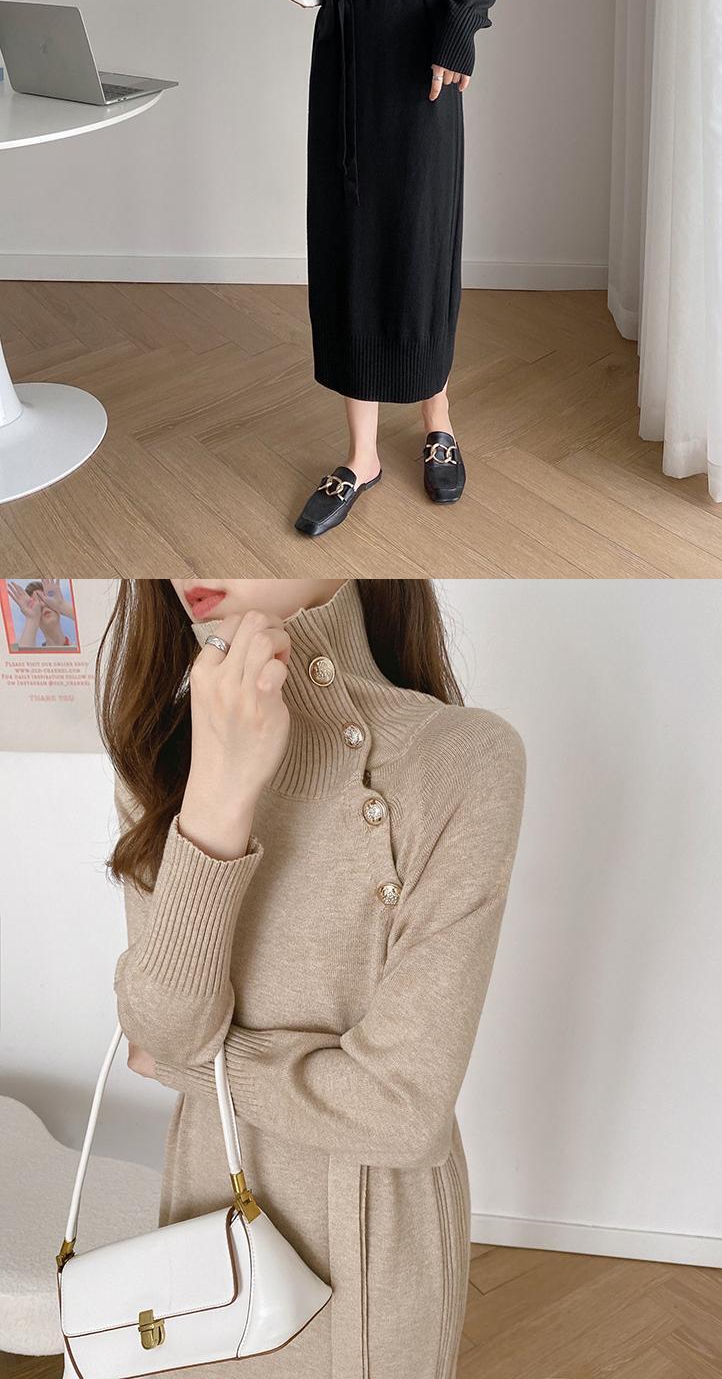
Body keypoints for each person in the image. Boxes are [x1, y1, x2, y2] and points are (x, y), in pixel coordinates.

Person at [100, 577, 526, 1379]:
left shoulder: (463, 756)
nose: (188, 555)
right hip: (202, 1217)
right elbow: (164, 1027)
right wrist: (219, 796)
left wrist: (191, 1066)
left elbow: (401, 1111)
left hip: (372, 1241)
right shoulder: (164, 753)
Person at [274, 0, 509, 534]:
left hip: (423, 62)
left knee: (419, 235)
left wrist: (457, 36)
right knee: (350, 241)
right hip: (345, 56)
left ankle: (438, 421)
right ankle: (362, 455)